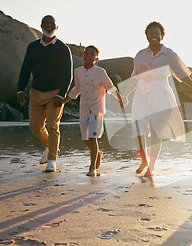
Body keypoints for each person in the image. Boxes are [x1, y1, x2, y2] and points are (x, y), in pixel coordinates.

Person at [122, 21, 192, 177]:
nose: (153, 36)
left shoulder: (169, 54)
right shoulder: (140, 54)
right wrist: (125, 94)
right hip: (142, 93)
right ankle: (144, 159)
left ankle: (151, 167)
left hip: (160, 92)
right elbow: (135, 77)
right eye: (150, 33)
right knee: (137, 127)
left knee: (155, 131)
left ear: (162, 36)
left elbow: (182, 75)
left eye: (157, 34)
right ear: (146, 36)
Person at [17, 15, 73, 172]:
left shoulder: (63, 48)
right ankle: (50, 146)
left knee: (52, 125)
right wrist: (20, 89)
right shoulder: (33, 47)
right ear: (41, 26)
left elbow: (67, 75)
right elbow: (25, 70)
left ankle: (51, 160)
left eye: (52, 23)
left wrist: (61, 95)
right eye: (46, 23)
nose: (49, 25)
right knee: (35, 125)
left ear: (56, 27)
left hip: (55, 94)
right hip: (36, 93)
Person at [63, 46, 123, 176]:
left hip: (97, 110)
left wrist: (120, 99)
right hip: (84, 108)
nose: (89, 56)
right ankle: (98, 154)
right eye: (87, 54)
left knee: (92, 137)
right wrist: (63, 101)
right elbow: (77, 89)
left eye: (92, 54)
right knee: (85, 138)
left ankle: (92, 168)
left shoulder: (100, 72)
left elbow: (110, 87)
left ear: (96, 58)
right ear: (83, 56)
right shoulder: (77, 71)